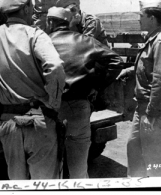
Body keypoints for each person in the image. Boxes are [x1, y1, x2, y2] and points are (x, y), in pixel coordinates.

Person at [0, 0, 66, 180]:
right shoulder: (35, 34)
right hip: (38, 120)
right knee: (44, 185)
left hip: (9, 121)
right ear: (26, 8)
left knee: (17, 183)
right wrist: (52, 101)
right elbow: (55, 66)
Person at [46, 7, 123, 179]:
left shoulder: (42, 42)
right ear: (69, 21)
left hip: (49, 108)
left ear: (50, 22)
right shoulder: (85, 40)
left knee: (50, 167)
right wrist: (96, 85)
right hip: (78, 106)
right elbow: (116, 61)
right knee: (78, 167)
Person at [118, 0, 161, 177]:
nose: (139, 20)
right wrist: (129, 70)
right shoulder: (152, 39)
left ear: (151, 18)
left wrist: (152, 113)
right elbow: (147, 67)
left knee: (156, 161)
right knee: (134, 150)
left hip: (152, 109)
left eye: (141, 16)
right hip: (141, 108)